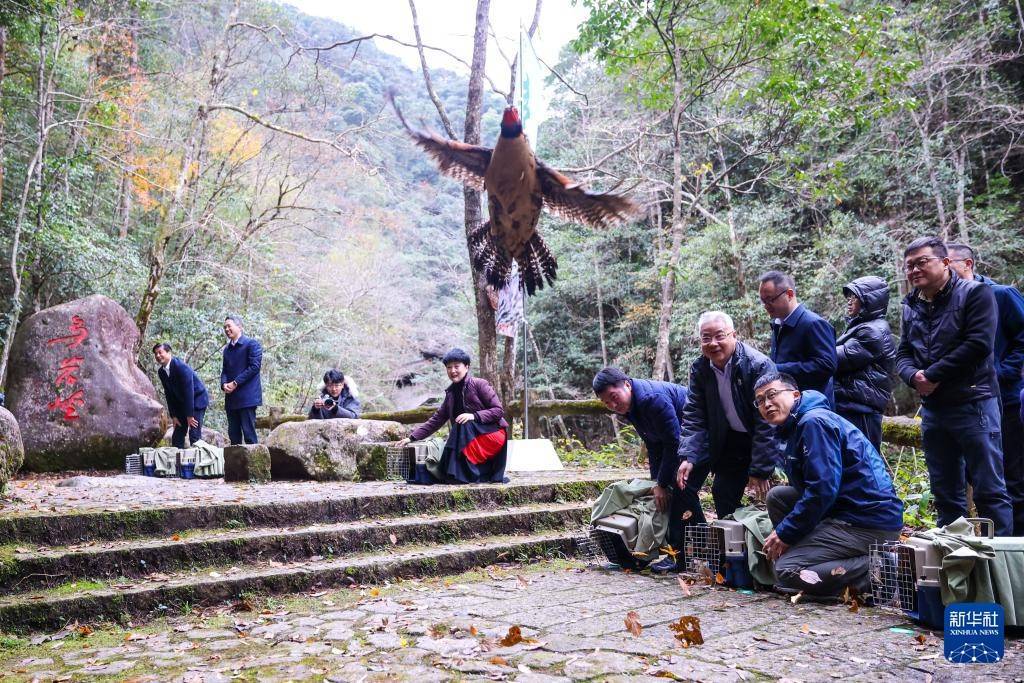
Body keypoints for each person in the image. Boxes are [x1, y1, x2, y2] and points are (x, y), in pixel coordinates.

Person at [895, 236, 1012, 535]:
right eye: (909, 266)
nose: (914, 271)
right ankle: (954, 566)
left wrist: (932, 374)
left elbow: (979, 344)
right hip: (934, 410)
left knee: (989, 491)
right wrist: (914, 377)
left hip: (974, 403)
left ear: (945, 262)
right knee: (946, 493)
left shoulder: (975, 294)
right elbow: (904, 352)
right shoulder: (911, 305)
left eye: (922, 262)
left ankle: (999, 571)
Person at [755, 373, 904, 598]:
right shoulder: (797, 426)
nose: (766, 403)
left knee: (786, 571)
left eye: (772, 394)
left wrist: (785, 533)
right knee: (778, 497)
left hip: (867, 521)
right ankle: (813, 558)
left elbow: (822, 490)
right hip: (844, 509)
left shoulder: (814, 422)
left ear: (795, 395)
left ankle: (878, 568)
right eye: (759, 400)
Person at [676, 311, 780, 559]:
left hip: (761, 440)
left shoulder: (758, 365)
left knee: (772, 500)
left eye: (719, 336)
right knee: (723, 493)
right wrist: (689, 455)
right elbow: (694, 415)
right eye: (706, 338)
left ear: (734, 335)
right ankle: (733, 558)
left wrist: (761, 469)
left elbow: (768, 421)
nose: (713, 343)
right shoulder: (701, 368)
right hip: (730, 441)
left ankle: (771, 558)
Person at [947, 243, 1024, 535]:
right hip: (970, 402)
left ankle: (1015, 552)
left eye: (949, 262)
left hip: (1007, 398)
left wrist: (1002, 372)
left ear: (967, 263)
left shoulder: (1001, 295)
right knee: (979, 476)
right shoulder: (949, 303)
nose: (944, 268)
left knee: (1012, 477)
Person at [593, 367, 689, 573]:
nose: (613, 405)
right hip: (680, 443)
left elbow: (674, 442)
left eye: (613, 397)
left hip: (698, 438)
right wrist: (655, 483)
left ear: (626, 385)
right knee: (664, 495)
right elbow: (654, 444)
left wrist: (662, 483)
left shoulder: (651, 400)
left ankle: (682, 556)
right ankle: (675, 552)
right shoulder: (631, 406)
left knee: (682, 491)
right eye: (606, 403)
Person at [397, 348, 508, 483]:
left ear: (466, 367)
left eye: (457, 366)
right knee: (461, 425)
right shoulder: (450, 393)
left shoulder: (479, 384)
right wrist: (412, 437)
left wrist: (474, 416)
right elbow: (437, 419)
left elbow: (498, 411)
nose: (453, 371)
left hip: (493, 434)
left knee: (463, 423)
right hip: (468, 435)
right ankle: (455, 474)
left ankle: (459, 474)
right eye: (449, 367)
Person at [833, 276, 896, 452]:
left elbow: (836, 358)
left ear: (869, 300)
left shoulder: (872, 331)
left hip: (861, 411)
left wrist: (811, 348)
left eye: (854, 297)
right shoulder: (862, 326)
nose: (849, 302)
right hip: (853, 406)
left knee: (865, 465)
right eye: (849, 297)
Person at [758, 271, 838, 405]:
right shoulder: (778, 325)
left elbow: (827, 365)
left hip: (813, 407)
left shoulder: (813, 323)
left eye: (771, 300)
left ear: (789, 294)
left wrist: (777, 369)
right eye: (763, 301)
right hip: (787, 405)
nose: (766, 306)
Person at [153, 343, 210, 449]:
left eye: (160, 352)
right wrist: (174, 416)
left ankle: (199, 463)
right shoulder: (161, 372)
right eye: (156, 354)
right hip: (182, 404)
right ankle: (177, 463)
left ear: (168, 352)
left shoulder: (181, 367)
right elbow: (168, 394)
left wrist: (189, 415)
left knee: (194, 435)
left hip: (197, 400)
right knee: (177, 436)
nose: (158, 356)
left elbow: (189, 392)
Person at [220, 315, 263, 445]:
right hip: (231, 398)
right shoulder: (227, 349)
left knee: (249, 434)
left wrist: (235, 382)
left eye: (229, 326)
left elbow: (254, 367)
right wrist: (224, 384)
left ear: (239, 327)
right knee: (233, 435)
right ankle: (236, 465)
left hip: (247, 398)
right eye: (225, 327)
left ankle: (255, 464)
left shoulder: (251, 344)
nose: (227, 329)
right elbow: (225, 370)